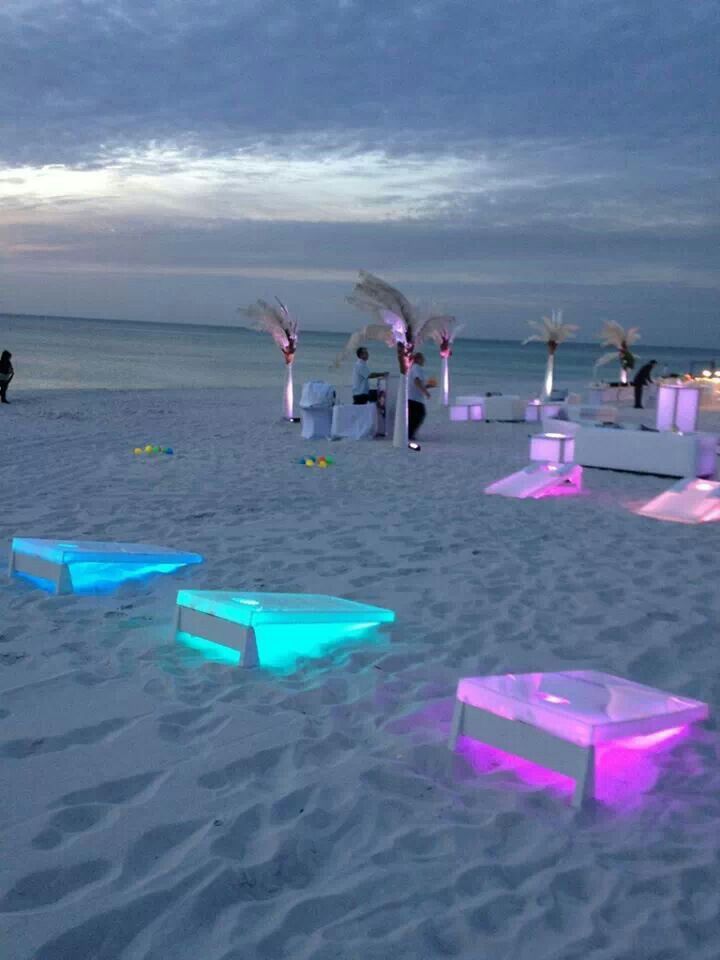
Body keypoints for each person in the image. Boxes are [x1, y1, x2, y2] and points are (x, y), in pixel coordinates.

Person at [408, 352, 433, 443]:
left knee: (415, 416)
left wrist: (427, 386)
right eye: (422, 359)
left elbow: (418, 383)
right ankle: (409, 434)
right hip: (414, 397)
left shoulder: (415, 368)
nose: (424, 361)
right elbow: (416, 381)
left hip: (414, 397)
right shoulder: (416, 368)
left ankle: (410, 434)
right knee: (420, 414)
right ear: (418, 359)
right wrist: (425, 392)